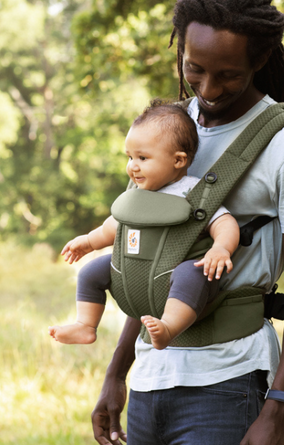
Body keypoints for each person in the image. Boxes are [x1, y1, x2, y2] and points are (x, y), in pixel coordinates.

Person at [92, 0, 284, 445]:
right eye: (195, 69)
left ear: (260, 61)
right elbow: (152, 260)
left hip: (227, 387)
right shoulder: (169, 131)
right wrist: (117, 372)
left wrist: (277, 409)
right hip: (154, 384)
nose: (209, 87)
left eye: (229, 73)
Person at [49, 100, 241, 350]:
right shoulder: (138, 193)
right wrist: (88, 242)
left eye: (143, 157)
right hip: (138, 268)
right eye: (130, 157)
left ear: (178, 161)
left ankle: (169, 326)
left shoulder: (193, 192)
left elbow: (224, 222)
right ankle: (86, 325)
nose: (133, 166)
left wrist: (221, 249)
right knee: (91, 271)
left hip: (177, 269)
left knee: (191, 274)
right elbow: (114, 225)